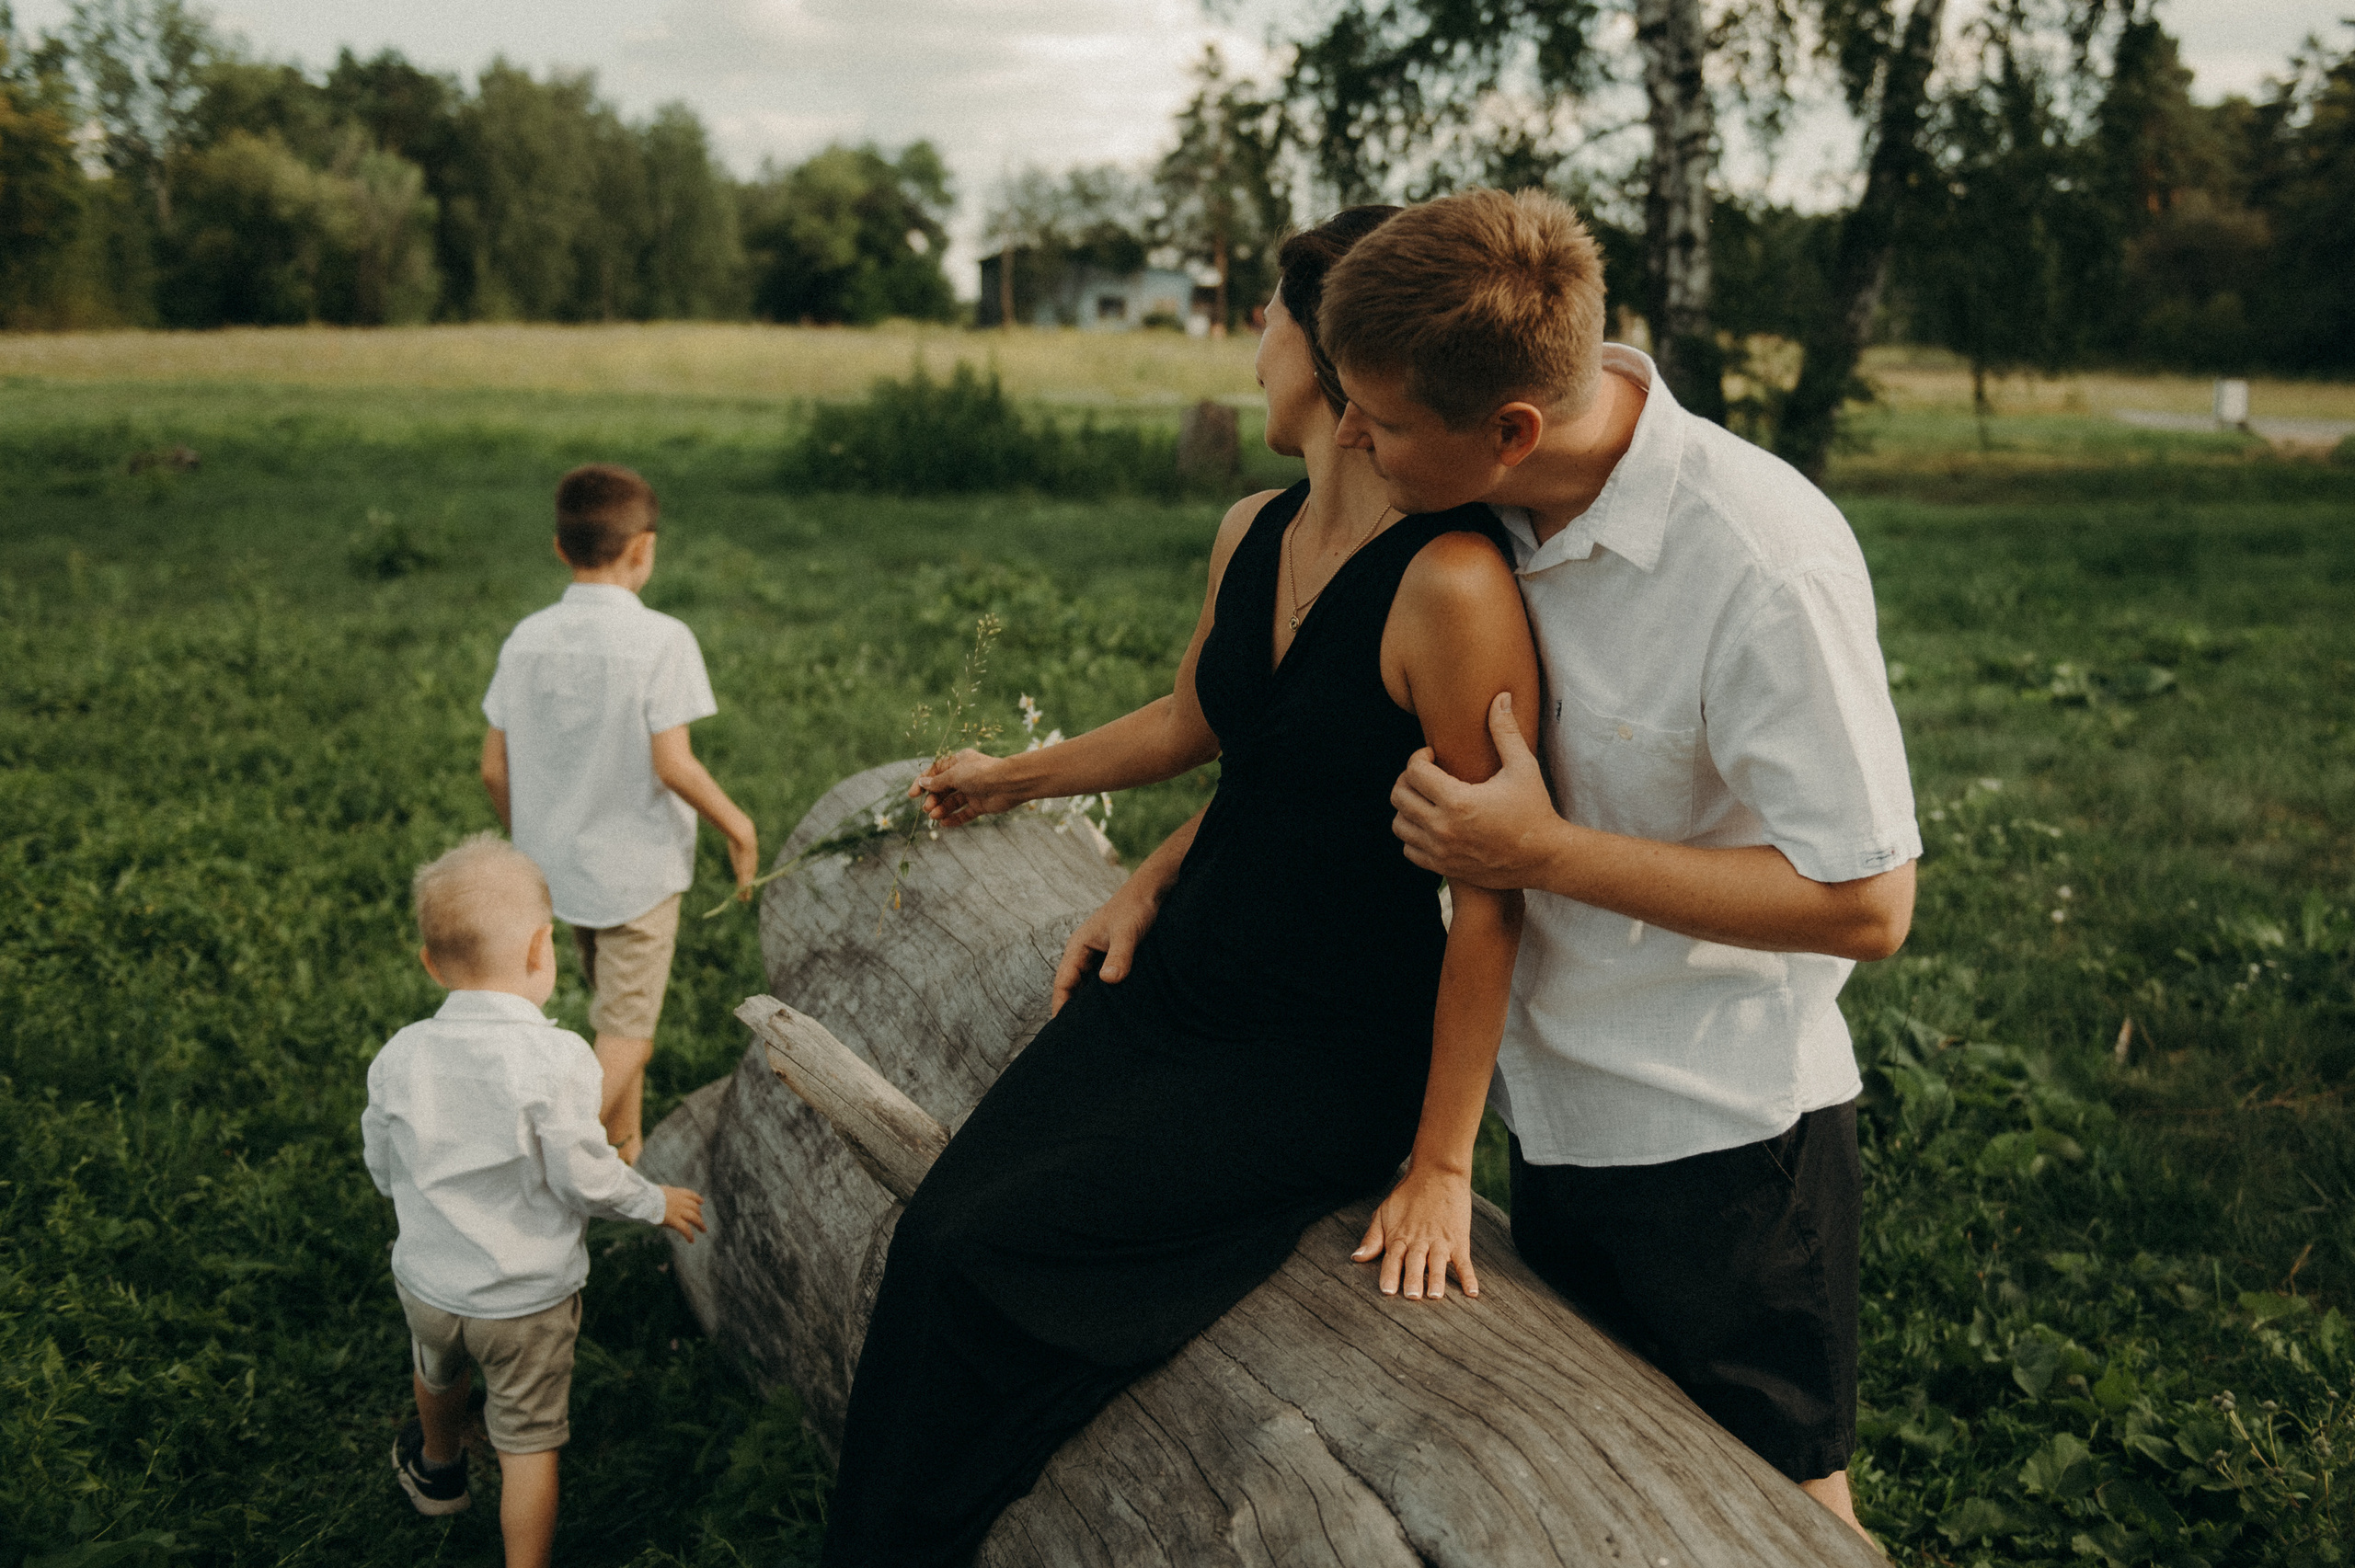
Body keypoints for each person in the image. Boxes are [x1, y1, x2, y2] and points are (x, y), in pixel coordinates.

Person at [818, 205, 1544, 1566]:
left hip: (1321, 1044)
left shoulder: (1449, 589)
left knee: (988, 1259)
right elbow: (1204, 724)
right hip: (1186, 979)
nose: (1250, 343)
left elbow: (1491, 893)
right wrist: (1013, 779)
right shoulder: (1251, 529)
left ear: (1330, 355)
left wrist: (1443, 1163)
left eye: (1266, 317)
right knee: (942, 1236)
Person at [1319, 188, 1914, 1544]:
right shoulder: (1490, 517)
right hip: (1555, 1111)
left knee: (1788, 1514)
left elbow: (1870, 903)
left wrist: (1543, 852)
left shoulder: (1761, 563)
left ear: (1509, 430)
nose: (1353, 434)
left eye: (1386, 419)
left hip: (1720, 1144)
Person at [363, 832, 706, 1566]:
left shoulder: (399, 1056)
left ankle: (439, 1467)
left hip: (430, 1282)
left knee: (437, 1367)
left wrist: (414, 1199)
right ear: (541, 949)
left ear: (430, 964)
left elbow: (382, 1160)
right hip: (525, 1303)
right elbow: (585, 1173)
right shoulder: (558, 1061)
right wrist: (654, 1202)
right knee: (528, 1443)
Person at [480, 464, 759, 1163]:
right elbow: (674, 763)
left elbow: (492, 766)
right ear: (644, 550)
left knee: (612, 1018)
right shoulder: (662, 640)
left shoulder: (525, 638)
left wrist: (532, 838)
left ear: (559, 547)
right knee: (630, 1031)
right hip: (638, 876)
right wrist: (739, 824)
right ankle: (523, 1157)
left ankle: (621, 1160)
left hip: (558, 874)